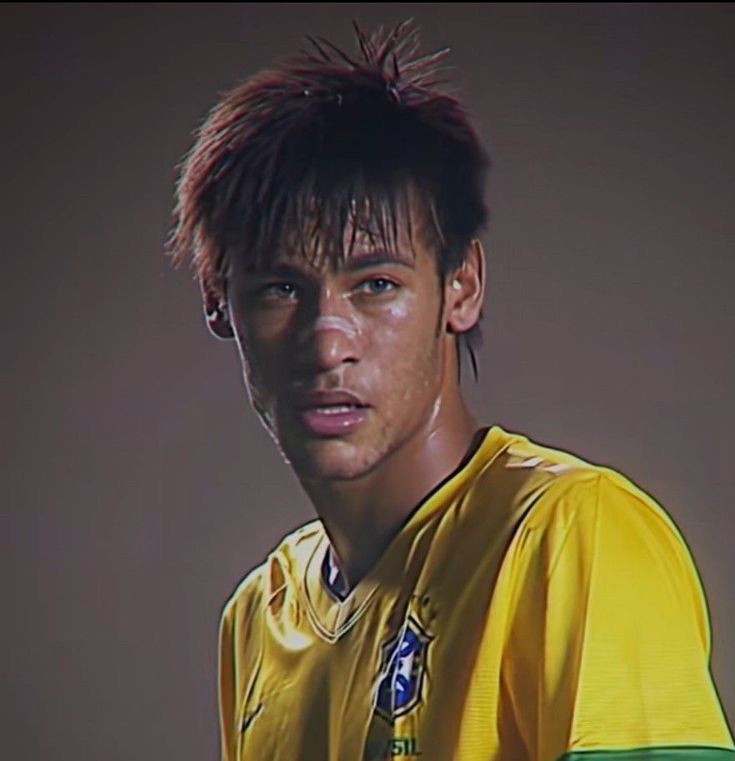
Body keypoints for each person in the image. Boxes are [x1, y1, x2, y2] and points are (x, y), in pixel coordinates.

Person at [166, 19, 734, 761]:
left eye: (375, 284)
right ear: (218, 300)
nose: (328, 340)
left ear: (459, 285)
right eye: (280, 287)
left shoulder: (569, 536)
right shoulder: (257, 615)